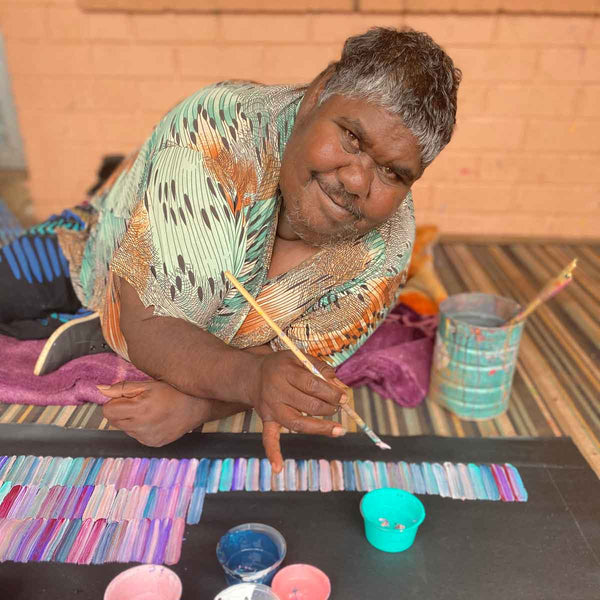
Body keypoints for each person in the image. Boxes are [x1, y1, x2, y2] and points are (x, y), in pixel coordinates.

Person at [0, 27, 461, 471]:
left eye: (393, 173)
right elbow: (146, 323)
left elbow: (298, 368)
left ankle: (85, 324)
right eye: (352, 138)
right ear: (316, 95)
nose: (357, 181)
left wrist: (197, 404)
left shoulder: (389, 246)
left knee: (41, 326)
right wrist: (247, 379)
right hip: (86, 247)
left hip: (165, 312)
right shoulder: (218, 137)